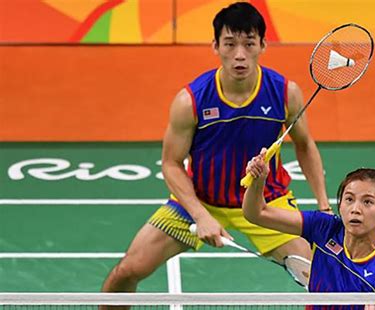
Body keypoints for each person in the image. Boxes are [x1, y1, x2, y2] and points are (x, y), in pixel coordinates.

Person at [101, 1, 330, 297]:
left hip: (265, 202)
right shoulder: (192, 100)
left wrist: (323, 206)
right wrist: (200, 215)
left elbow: (305, 145)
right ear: (215, 46)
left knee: (324, 284)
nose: (239, 55)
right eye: (230, 44)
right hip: (201, 200)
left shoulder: (286, 93)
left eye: (249, 44)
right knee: (127, 271)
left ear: (263, 45)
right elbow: (171, 164)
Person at [243, 149, 375, 309]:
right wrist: (259, 181)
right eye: (349, 199)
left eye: (367, 202)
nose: (355, 209)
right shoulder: (324, 227)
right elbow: (257, 213)